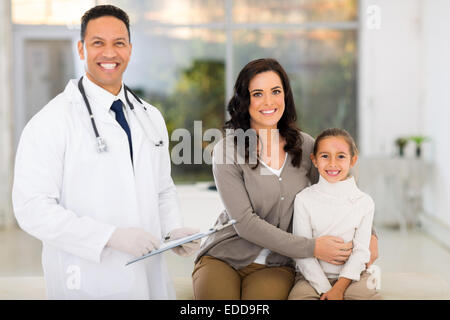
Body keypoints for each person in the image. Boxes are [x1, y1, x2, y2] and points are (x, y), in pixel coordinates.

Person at [12, 5, 199, 300]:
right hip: (87, 278)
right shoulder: (51, 121)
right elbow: (32, 209)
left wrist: (173, 231)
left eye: (119, 43)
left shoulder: (150, 117)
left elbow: (162, 189)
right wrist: (109, 237)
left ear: (130, 49)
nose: (109, 53)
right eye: (98, 43)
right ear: (81, 48)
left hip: (149, 276)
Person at [192, 58, 379, 300]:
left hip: (276, 264)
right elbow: (245, 223)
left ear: (285, 96)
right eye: (258, 94)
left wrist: (371, 235)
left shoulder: (306, 146)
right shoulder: (227, 151)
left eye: (275, 91)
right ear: (245, 100)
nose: (269, 102)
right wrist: (312, 247)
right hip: (224, 256)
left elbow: (344, 189)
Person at [288, 128, 381, 300]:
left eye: (341, 156)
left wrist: (338, 289)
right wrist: (326, 290)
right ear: (314, 160)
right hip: (310, 277)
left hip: (354, 277)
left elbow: (361, 252)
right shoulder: (303, 199)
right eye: (324, 156)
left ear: (352, 160)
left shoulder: (365, 202)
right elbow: (302, 252)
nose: (332, 163)